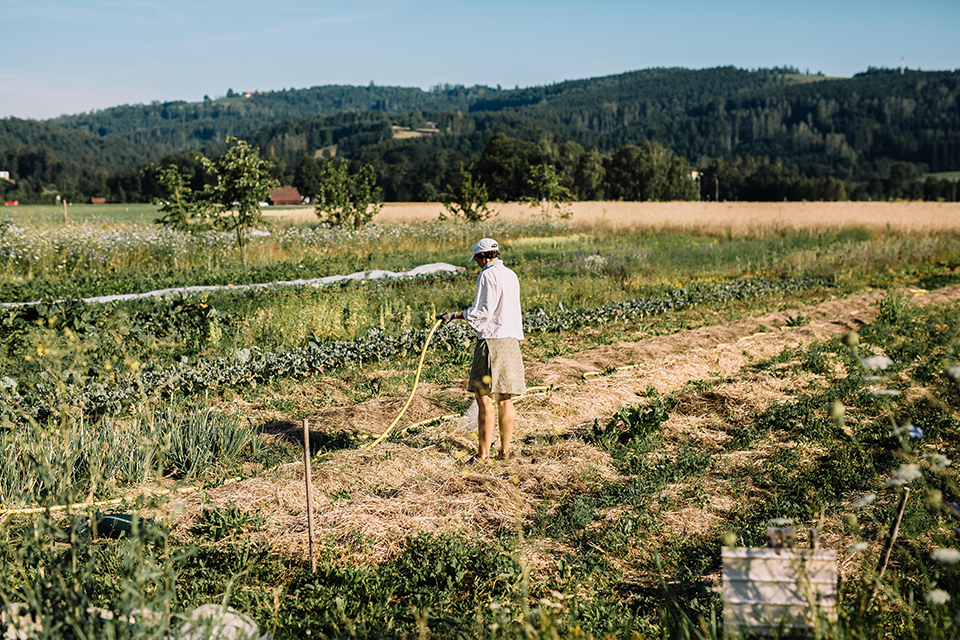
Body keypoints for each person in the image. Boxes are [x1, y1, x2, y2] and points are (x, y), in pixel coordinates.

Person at [439, 238, 526, 461]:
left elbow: (483, 312)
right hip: (510, 341)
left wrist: (456, 315)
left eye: (477, 259)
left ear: (482, 256)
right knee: (505, 399)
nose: (477, 263)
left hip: (492, 342)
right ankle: (505, 452)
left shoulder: (487, 275)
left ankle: (483, 455)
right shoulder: (511, 274)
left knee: (484, 398)